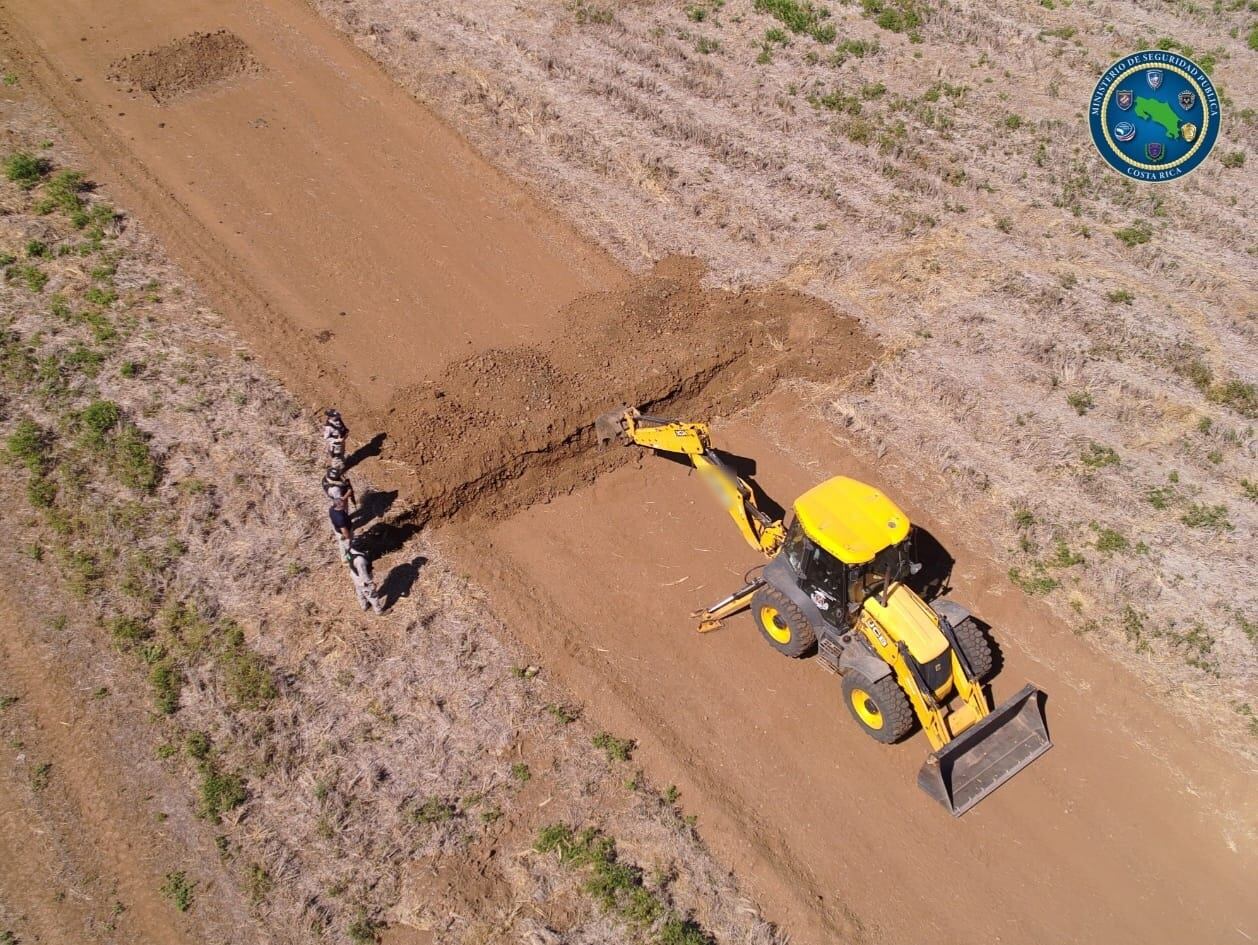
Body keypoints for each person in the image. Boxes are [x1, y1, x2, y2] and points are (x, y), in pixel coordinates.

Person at [346, 538, 385, 614]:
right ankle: (379, 611)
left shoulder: (350, 549)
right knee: (372, 594)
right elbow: (364, 575)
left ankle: (364, 606)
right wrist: (371, 584)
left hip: (354, 574)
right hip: (362, 579)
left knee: (359, 591)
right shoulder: (360, 560)